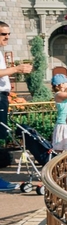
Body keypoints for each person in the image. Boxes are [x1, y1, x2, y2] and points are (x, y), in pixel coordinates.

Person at [0, 22, 32, 190]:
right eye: (3, 34)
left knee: (1, 135)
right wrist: (17, 69)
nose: (7, 37)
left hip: (2, 96)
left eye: (8, 34)